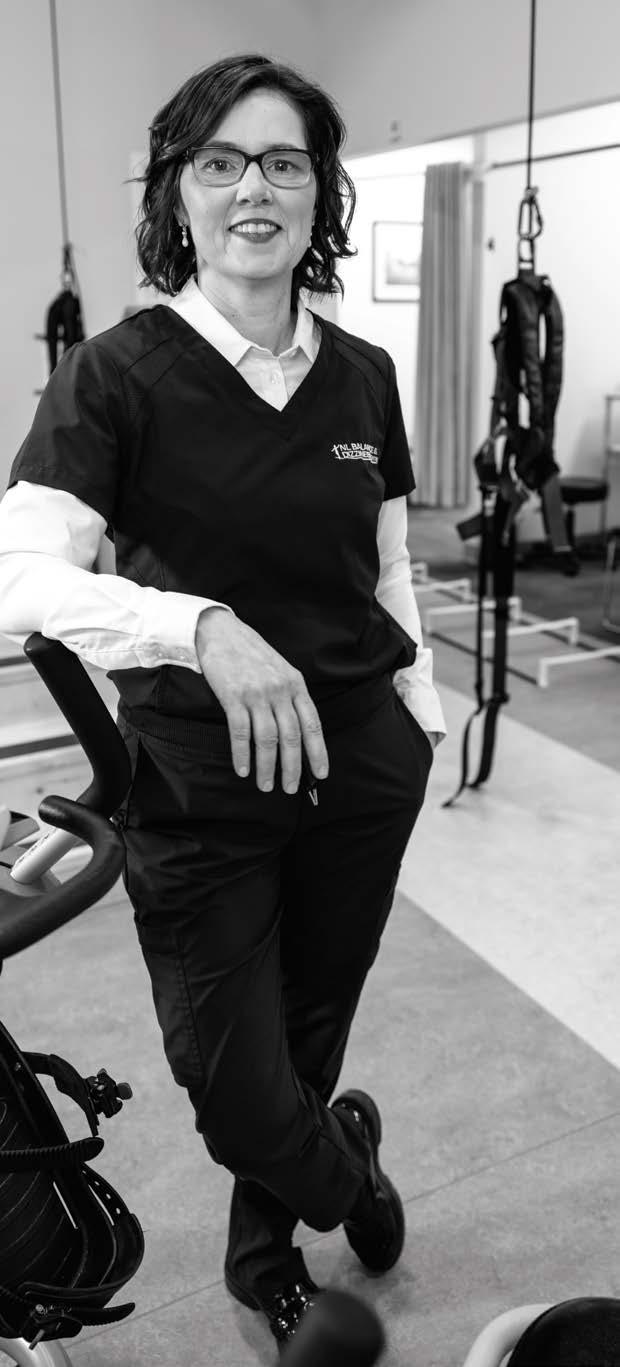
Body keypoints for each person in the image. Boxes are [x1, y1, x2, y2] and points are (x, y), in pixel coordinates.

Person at [0, 53, 446, 1355]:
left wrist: (419, 712)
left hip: (360, 764)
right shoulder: (117, 376)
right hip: (198, 778)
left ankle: (265, 1262)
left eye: (285, 162)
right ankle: (348, 1174)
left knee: (310, 1027)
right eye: (221, 162)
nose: (255, 187)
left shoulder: (364, 373)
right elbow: (14, 574)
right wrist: (194, 625)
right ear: (178, 194)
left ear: (320, 192)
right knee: (234, 1082)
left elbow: (390, 564)